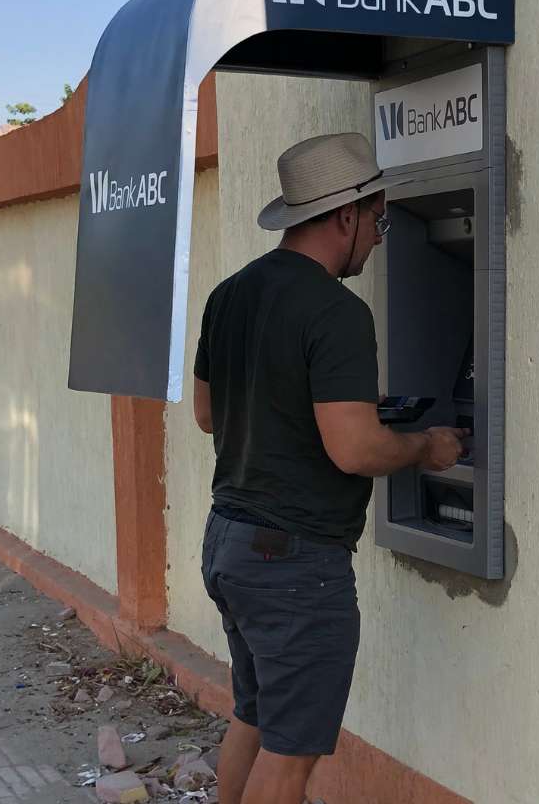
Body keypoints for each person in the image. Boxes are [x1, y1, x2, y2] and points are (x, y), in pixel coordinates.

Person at [192, 132, 466, 804]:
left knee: (255, 716)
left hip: (229, 541)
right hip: (292, 564)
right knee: (293, 754)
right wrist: (425, 449)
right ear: (347, 215)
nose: (378, 238)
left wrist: (327, 404)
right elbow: (356, 452)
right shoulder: (335, 310)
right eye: (379, 219)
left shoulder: (231, 294)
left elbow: (208, 412)